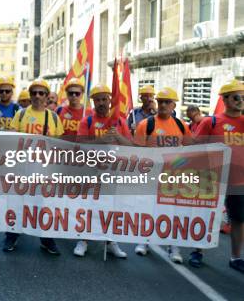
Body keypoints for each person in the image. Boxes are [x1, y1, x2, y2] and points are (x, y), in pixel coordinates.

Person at [133, 87, 193, 263]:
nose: (163, 105)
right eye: (161, 102)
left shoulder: (182, 126)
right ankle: (143, 241)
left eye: (167, 102)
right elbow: (137, 152)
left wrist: (175, 164)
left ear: (174, 104)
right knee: (148, 210)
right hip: (151, 176)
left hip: (173, 178)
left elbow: (190, 152)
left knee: (173, 213)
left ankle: (174, 247)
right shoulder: (146, 124)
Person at [6, 79, 64, 255]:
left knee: (42, 204)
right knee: (17, 203)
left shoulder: (53, 117)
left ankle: (46, 239)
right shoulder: (21, 115)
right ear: (30, 96)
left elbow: (60, 144)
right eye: (34, 93)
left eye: (41, 93)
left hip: (43, 169)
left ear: (47, 96)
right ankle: (12, 235)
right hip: (22, 168)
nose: (37, 96)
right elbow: (11, 137)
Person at [74, 84, 130, 259]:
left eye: (104, 99)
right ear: (93, 102)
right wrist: (103, 139)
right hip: (91, 172)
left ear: (110, 100)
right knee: (88, 207)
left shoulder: (119, 121)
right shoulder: (87, 121)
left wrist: (117, 137)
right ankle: (83, 240)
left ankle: (110, 241)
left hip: (113, 173)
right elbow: (80, 145)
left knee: (111, 208)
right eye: (97, 99)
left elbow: (131, 145)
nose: (101, 103)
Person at [193, 80, 244, 273]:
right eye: (237, 97)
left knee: (238, 220)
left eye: (243, 97)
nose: (241, 101)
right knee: (206, 216)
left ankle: (236, 257)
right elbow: (195, 147)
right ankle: (197, 251)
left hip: (239, 181)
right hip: (213, 179)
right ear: (225, 99)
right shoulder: (210, 122)